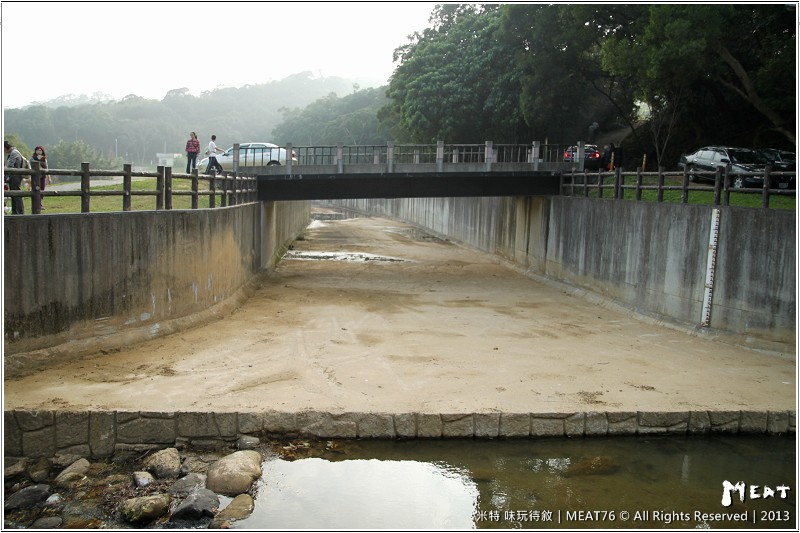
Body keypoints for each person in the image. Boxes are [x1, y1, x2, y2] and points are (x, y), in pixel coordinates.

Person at [4, 140, 26, 214]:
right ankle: (15, 211)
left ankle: (20, 212)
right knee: (14, 194)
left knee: (17, 195)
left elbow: (10, 165)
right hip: (14, 176)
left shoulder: (14, 153)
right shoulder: (14, 152)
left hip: (15, 176)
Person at [30, 145, 50, 210]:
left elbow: (46, 167)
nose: (38, 151)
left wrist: (48, 177)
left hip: (43, 176)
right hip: (35, 177)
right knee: (36, 189)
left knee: (42, 190)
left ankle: (40, 203)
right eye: (37, 150)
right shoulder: (32, 158)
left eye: (40, 150)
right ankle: (36, 204)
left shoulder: (44, 159)